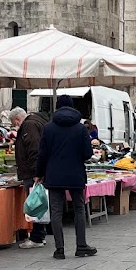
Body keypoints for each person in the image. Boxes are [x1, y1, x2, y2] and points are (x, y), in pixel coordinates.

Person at [37, 95, 96, 260]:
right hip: (75, 174)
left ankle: (59, 249)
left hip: (54, 175)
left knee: (56, 211)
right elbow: (87, 154)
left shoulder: (48, 128)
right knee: (78, 209)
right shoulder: (80, 129)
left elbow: (42, 154)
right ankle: (81, 246)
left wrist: (38, 173)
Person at [14, 108, 48, 249]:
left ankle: (37, 237)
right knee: (38, 202)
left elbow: (34, 148)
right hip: (35, 171)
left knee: (34, 204)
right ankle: (40, 235)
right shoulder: (37, 122)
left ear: (17, 119)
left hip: (31, 172)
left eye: (14, 123)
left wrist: (36, 172)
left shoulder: (29, 125)